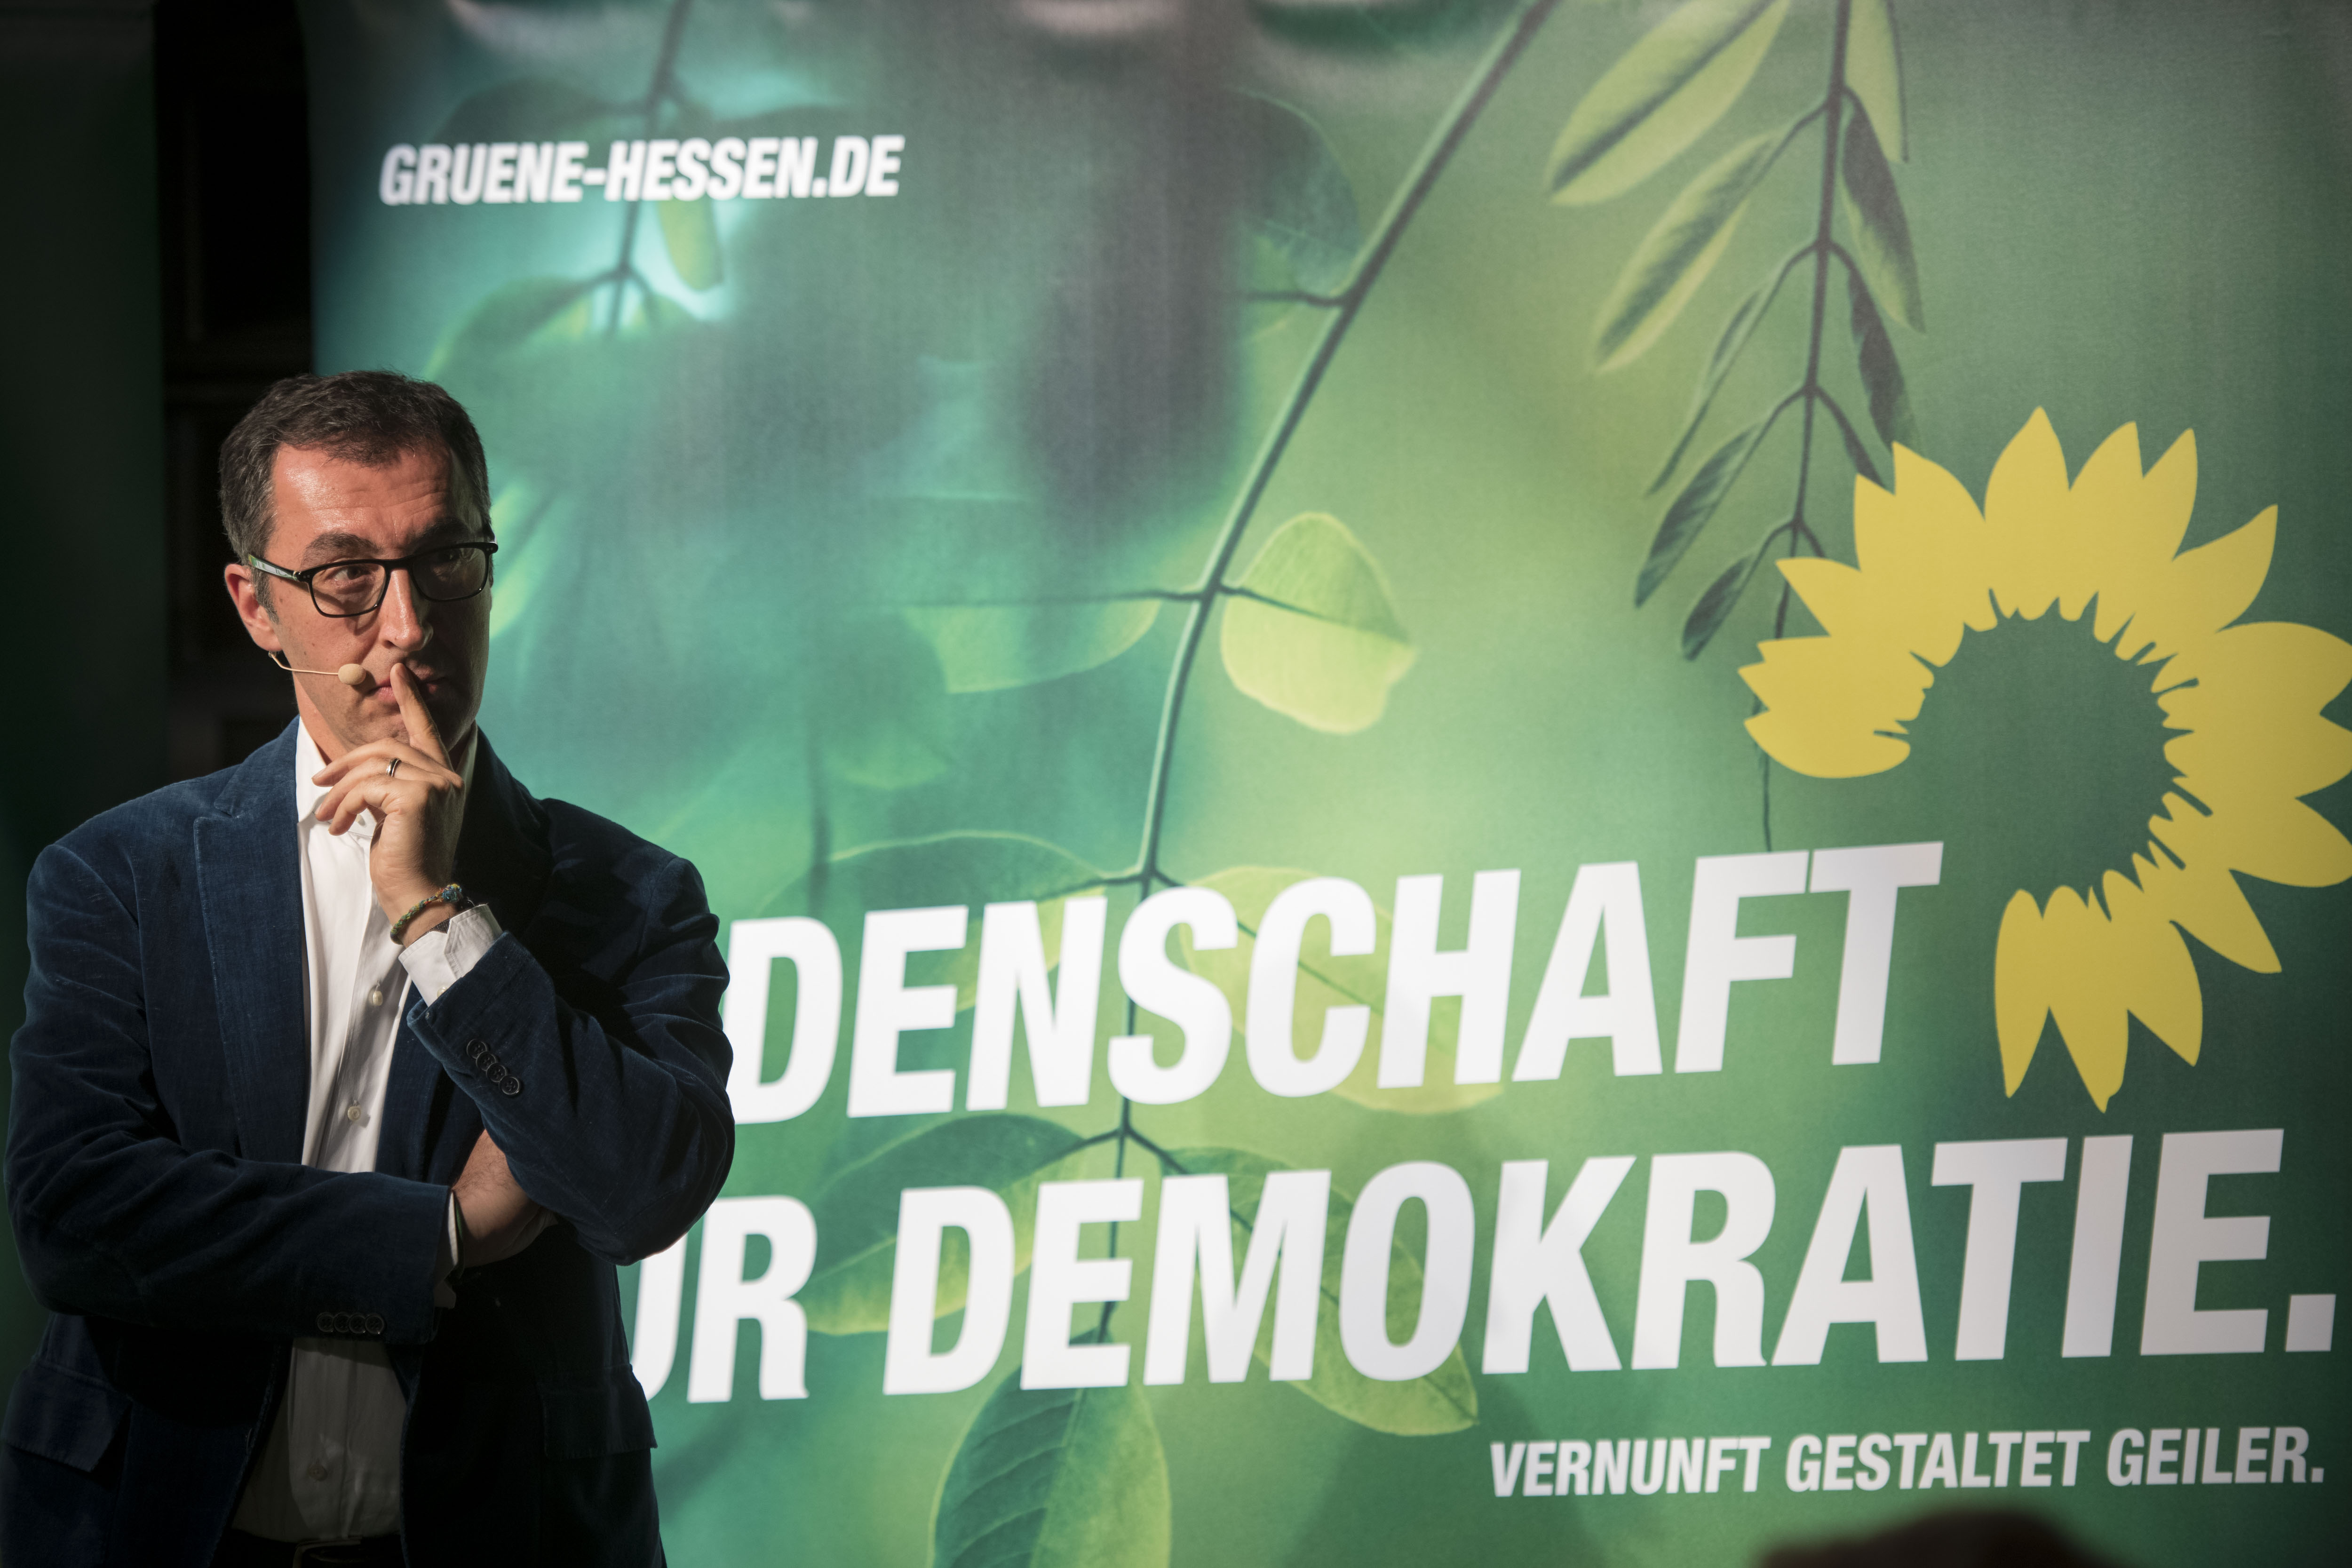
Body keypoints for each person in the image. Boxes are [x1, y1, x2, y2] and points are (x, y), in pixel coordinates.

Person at [0, 371, 734, 1566]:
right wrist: (436, 1234)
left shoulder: (628, 895)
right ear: (255, 604)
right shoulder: (120, 874)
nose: (406, 626)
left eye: (446, 560)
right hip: (162, 1523)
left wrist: (439, 916)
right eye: (345, 575)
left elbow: (644, 1189)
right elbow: (75, 1214)